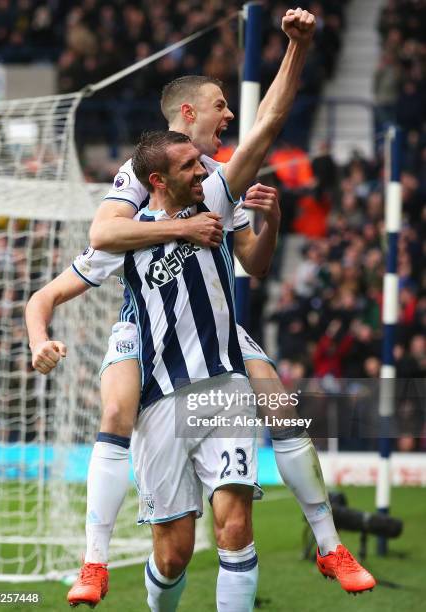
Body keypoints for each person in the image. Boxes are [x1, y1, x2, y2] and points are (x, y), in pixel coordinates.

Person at [27, 7, 375, 607]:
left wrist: (297, 50)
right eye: (220, 105)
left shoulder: (215, 181)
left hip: (219, 355)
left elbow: (257, 249)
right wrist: (180, 232)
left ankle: (328, 541)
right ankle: (96, 561)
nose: (229, 116)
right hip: (152, 347)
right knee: (165, 528)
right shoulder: (138, 183)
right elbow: (102, 239)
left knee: (269, 428)